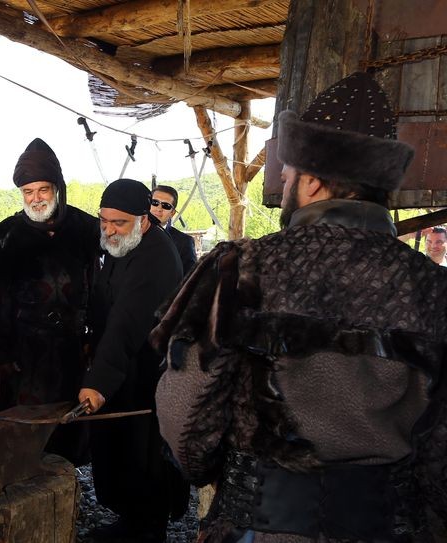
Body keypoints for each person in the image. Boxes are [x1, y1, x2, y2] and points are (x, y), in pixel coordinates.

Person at [150, 72, 447, 542]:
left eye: (287, 174)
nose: (284, 182)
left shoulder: (241, 266)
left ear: (311, 183)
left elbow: (184, 411)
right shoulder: (432, 286)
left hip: (261, 528)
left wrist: (210, 470)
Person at [78, 179, 189, 543]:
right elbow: (103, 301)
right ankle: (130, 520)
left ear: (143, 220)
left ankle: (148, 530)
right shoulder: (123, 243)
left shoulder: (156, 256)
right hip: (121, 366)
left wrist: (99, 381)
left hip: (147, 373)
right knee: (120, 449)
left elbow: (126, 321)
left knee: (144, 454)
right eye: (104, 221)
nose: (109, 230)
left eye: (118, 223)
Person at [0, 138, 100, 465]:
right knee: (27, 427)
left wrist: (92, 339)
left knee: (68, 423)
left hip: (71, 347)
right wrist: (3, 354)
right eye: (28, 192)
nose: (35, 198)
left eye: (42, 190)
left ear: (57, 188)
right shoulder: (6, 236)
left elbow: (97, 288)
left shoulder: (85, 229)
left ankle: (64, 481)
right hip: (26, 352)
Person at [150, 185, 197, 276]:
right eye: (154, 202)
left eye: (166, 206)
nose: (159, 209)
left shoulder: (184, 242)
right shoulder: (131, 234)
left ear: (172, 213)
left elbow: (190, 278)